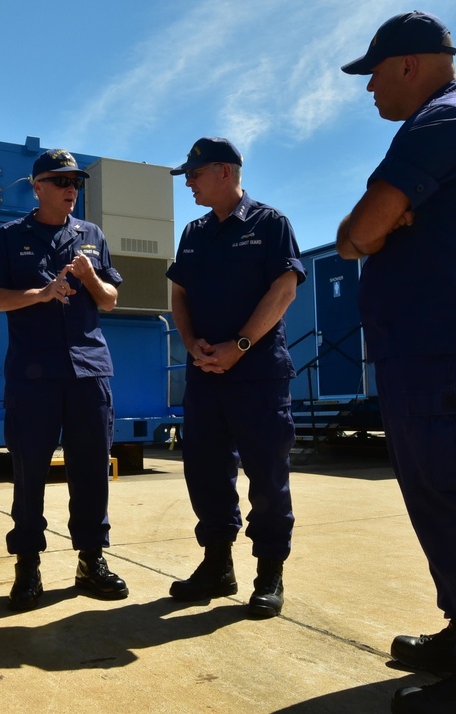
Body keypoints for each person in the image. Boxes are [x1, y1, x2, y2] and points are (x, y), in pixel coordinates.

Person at [337, 11, 456, 713]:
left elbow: (358, 232)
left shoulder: (448, 122)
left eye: (375, 75)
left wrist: (376, 228)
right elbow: (369, 231)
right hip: (422, 347)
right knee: (435, 499)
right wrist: (381, 227)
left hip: (446, 344)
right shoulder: (439, 127)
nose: (370, 91)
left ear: (410, 65)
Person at [0, 148, 128, 611]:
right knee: (30, 472)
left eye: (76, 184)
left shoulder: (91, 236)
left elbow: (110, 300)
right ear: (37, 186)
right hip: (33, 375)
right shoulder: (9, 237)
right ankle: (27, 566)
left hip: (88, 371)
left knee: (91, 470)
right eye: (60, 182)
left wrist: (90, 278)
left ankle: (91, 560)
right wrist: (41, 294)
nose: (70, 190)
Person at [165, 137, 304, 619]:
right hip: (205, 374)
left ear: (225, 172)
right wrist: (189, 342)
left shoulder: (271, 225)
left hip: (258, 376)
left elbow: (284, 291)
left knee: (267, 475)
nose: (188, 184)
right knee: (204, 472)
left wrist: (239, 346)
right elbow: (178, 294)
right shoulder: (194, 232)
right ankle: (217, 567)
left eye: (195, 175)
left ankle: (269, 574)